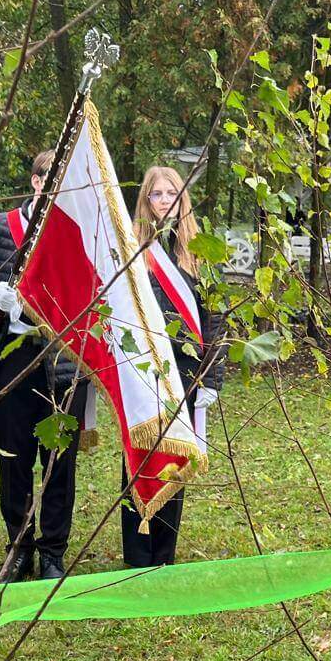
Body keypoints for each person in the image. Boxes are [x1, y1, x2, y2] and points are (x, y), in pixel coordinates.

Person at [0, 148, 89, 582]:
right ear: (35, 181)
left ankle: (54, 551)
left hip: (64, 359)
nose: (54, 186)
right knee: (15, 457)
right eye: (48, 178)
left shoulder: (81, 232)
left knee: (60, 460)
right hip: (12, 357)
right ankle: (18, 547)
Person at [121, 164, 224, 567]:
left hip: (186, 374)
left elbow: (215, 321)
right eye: (156, 195)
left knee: (175, 459)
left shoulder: (201, 254)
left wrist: (211, 378)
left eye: (171, 195)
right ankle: (136, 554)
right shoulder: (130, 249)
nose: (163, 202)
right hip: (141, 372)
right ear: (144, 202)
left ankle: (164, 553)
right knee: (138, 458)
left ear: (183, 201)